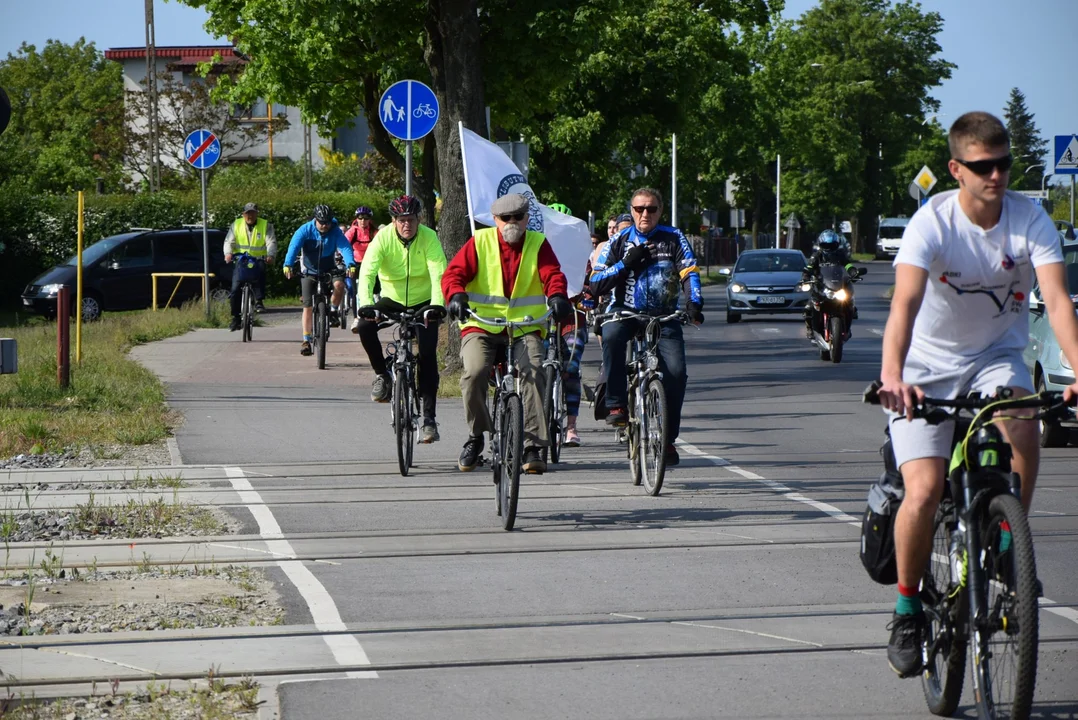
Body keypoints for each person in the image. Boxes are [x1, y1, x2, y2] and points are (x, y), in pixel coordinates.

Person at [876, 111, 1078, 678]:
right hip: (926, 366)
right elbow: (904, 305)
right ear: (956, 169)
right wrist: (894, 375)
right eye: (984, 166)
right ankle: (908, 608)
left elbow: (1057, 302)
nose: (997, 176)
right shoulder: (932, 223)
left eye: (1005, 163)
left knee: (1023, 419)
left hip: (996, 359)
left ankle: (1011, 544)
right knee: (923, 488)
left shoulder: (1030, 218)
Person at [442, 193, 572, 475]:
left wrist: (558, 296)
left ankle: (533, 445)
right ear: (495, 220)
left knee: (535, 371)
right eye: (505, 218)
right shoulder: (480, 241)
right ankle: (476, 437)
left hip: (525, 326)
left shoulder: (538, 243)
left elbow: (553, 275)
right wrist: (455, 295)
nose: (511, 222)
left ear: (526, 219)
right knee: (474, 373)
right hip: (482, 325)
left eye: (517, 217)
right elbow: (453, 274)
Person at [590, 187, 704, 467]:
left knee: (676, 372)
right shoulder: (619, 241)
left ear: (659, 211)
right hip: (625, 312)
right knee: (613, 337)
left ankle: (667, 439)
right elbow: (596, 282)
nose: (645, 214)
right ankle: (616, 402)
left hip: (663, 315)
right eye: (639, 209)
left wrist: (694, 303)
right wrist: (627, 264)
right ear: (631, 210)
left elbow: (689, 271)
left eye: (651, 209)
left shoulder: (674, 237)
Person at [354, 195, 448, 442]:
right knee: (364, 326)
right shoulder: (382, 238)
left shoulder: (429, 237)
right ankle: (382, 375)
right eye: (402, 220)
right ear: (393, 221)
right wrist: (366, 305)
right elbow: (367, 273)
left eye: (412, 220)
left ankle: (428, 419)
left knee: (427, 355)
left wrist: (437, 305)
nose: (407, 225)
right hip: (391, 299)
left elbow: (439, 271)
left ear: (419, 219)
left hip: (424, 301)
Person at [282, 204, 355, 356]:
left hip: (329, 268)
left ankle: (334, 311)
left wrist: (351, 264)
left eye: (327, 222)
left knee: (339, 284)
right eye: (321, 222)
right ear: (315, 219)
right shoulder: (305, 230)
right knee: (308, 306)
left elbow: (345, 247)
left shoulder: (335, 231)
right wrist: (288, 264)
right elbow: (294, 246)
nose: (324, 225)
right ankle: (306, 340)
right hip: (309, 270)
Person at [224, 202, 276, 330]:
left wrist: (270, 255)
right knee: (235, 289)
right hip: (241, 259)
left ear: (257, 214)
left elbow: (271, 242)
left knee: (261, 272)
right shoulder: (236, 225)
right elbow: (228, 241)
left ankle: (259, 301)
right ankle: (236, 318)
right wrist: (228, 254)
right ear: (243, 214)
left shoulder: (265, 225)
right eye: (247, 213)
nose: (250, 216)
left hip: (258, 259)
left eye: (252, 213)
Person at [801, 229, 859, 338]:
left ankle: (847, 328)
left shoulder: (840, 255)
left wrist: (853, 272)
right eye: (826, 245)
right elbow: (808, 268)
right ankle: (810, 329)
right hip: (821, 286)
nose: (829, 248)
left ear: (836, 245)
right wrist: (806, 277)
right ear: (820, 244)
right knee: (808, 308)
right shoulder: (816, 256)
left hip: (837, 285)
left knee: (850, 304)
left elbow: (847, 265)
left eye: (832, 245)